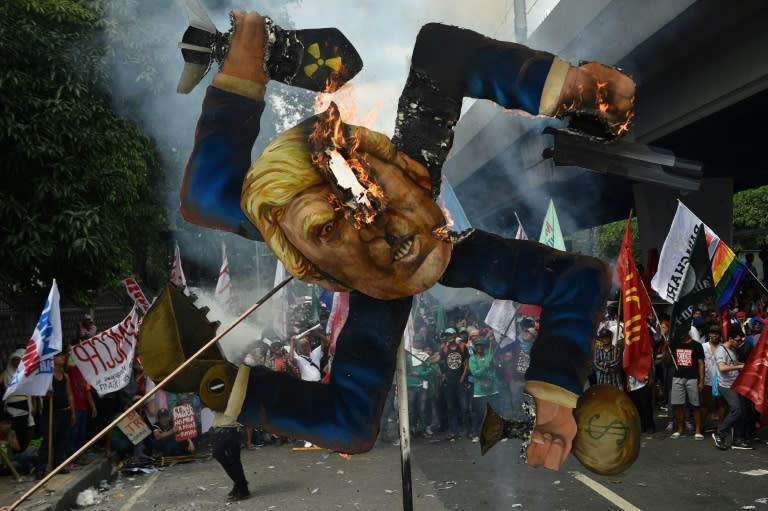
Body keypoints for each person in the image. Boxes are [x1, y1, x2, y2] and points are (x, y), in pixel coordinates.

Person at [179, 10, 633, 470]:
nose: (380, 228)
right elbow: (349, 424)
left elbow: (443, 52)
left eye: (365, 189)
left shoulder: (410, 165)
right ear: (318, 272)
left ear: (394, 163)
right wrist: (226, 385)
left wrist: (577, 89)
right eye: (331, 232)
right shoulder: (315, 247)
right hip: (371, 286)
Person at [35, 351, 75, 479]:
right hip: (51, 413)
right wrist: (47, 394)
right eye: (59, 355)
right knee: (48, 440)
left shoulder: (65, 376)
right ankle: (41, 468)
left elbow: (69, 394)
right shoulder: (47, 376)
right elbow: (40, 393)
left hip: (65, 412)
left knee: (62, 440)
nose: (62, 358)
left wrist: (73, 412)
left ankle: (58, 465)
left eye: (63, 355)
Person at [712, 334, 750, 450]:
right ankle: (720, 434)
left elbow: (734, 362)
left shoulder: (731, 350)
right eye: (738, 340)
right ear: (730, 339)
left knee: (742, 411)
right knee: (736, 410)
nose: (739, 343)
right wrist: (740, 367)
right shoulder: (720, 351)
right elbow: (722, 367)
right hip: (726, 385)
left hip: (735, 384)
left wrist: (746, 365)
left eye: (741, 340)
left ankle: (738, 439)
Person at [668, 332, 705, 441]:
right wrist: (667, 346)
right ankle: (680, 429)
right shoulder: (675, 343)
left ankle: (698, 430)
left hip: (692, 378)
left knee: (695, 405)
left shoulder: (697, 345)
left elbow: (701, 364)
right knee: (677, 405)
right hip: (677, 378)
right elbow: (668, 361)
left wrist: (701, 381)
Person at [468, 336, 499, 442]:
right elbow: (475, 373)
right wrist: (484, 368)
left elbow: (494, 371)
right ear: (475, 347)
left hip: (492, 389)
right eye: (477, 346)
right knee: (479, 414)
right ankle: (476, 434)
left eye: (481, 345)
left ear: (484, 346)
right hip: (479, 391)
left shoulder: (490, 356)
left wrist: (491, 370)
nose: (479, 347)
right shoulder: (472, 359)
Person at [2, 348, 32, 451]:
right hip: (11, 410)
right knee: (13, 433)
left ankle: (23, 452)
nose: (16, 362)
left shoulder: (23, 374)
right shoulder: (5, 375)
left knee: (23, 431)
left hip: (24, 408)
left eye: (18, 360)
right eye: (14, 360)